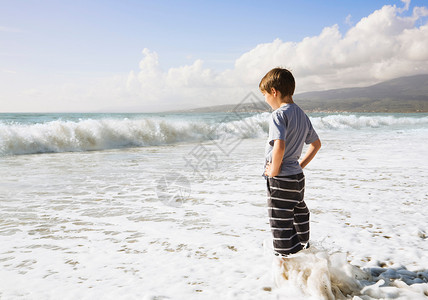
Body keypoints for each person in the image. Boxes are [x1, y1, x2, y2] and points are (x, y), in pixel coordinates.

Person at [260, 68, 321, 256]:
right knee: (297, 217)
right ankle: (304, 259)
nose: (265, 100)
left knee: (280, 228)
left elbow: (279, 146)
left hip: (281, 180)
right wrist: (299, 166)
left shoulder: (278, 115)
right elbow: (316, 144)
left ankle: (286, 273)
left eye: (264, 94)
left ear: (273, 92)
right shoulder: (302, 115)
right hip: (297, 178)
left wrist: (273, 170)